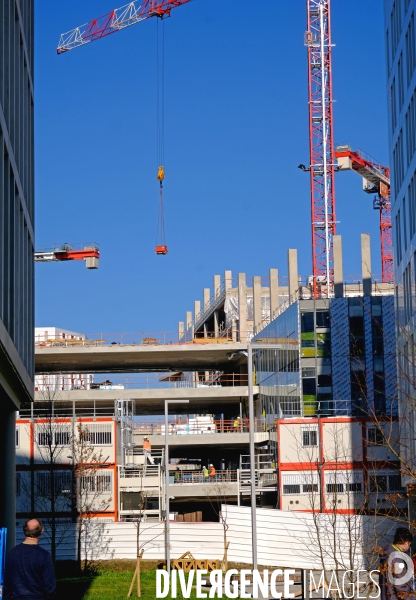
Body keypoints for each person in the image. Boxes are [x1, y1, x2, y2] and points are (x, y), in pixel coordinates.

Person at [3, 518, 56, 600]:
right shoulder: (44, 555)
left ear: (24, 531)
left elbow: (7, 583)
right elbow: (50, 586)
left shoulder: (12, 553)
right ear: (41, 531)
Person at [379, 527, 414, 600]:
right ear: (406, 542)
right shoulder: (397, 559)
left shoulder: (388, 554)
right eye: (410, 544)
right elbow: (401, 588)